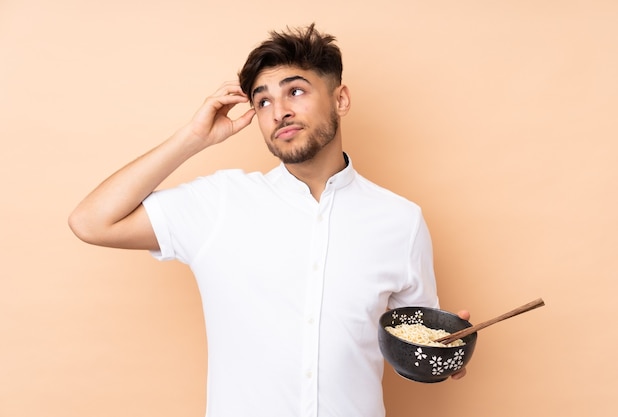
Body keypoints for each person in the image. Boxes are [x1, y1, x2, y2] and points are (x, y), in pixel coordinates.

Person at [69, 23, 468, 417]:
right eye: (262, 102)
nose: (279, 112)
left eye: (296, 91)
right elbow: (91, 222)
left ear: (340, 99)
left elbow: (417, 347)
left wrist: (446, 353)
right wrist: (194, 137)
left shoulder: (400, 221)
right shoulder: (219, 203)